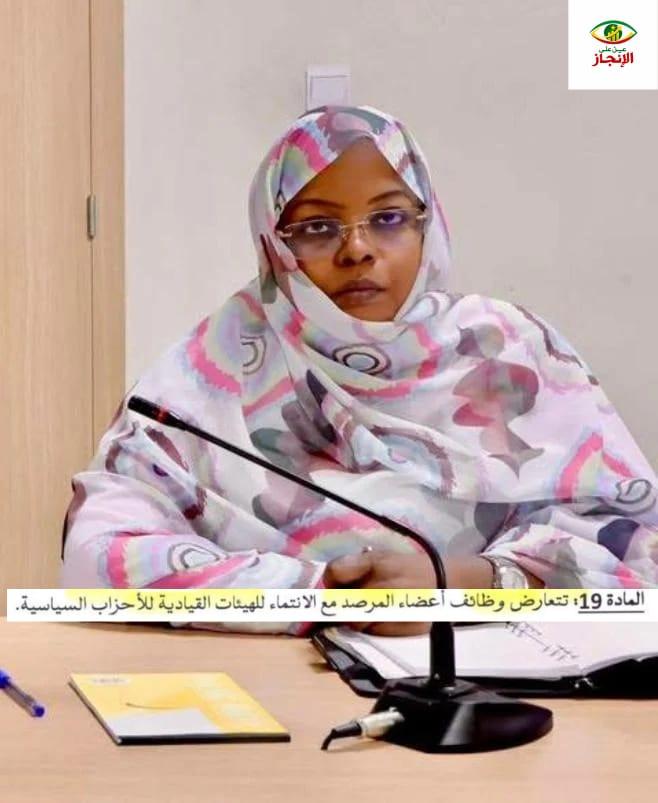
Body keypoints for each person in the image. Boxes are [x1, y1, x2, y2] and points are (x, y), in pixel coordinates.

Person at [61, 105, 658, 636]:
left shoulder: (508, 351)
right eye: (317, 228)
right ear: (275, 244)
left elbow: (636, 546)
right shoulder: (212, 370)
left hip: (498, 684)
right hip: (273, 683)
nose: (357, 250)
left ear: (427, 224)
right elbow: (99, 555)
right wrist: (322, 593)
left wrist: (467, 581)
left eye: (389, 218)